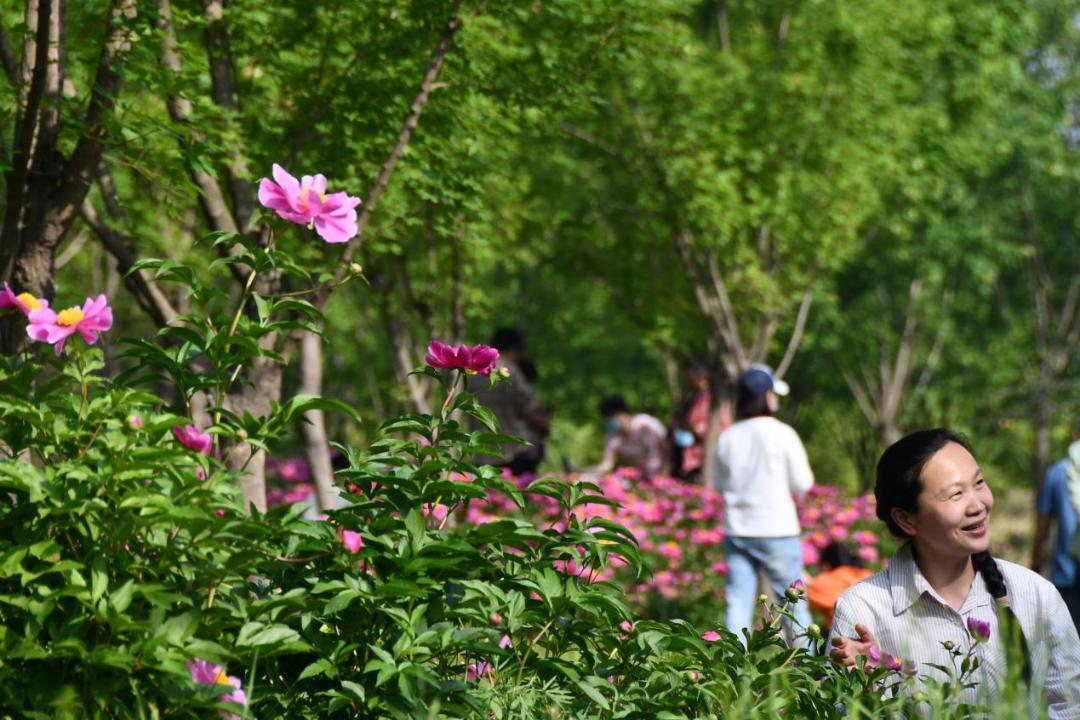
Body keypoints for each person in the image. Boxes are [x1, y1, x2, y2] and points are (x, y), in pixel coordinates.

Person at [830, 429, 1080, 716]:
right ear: (906, 519)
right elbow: (840, 710)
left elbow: (1071, 707)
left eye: (979, 483)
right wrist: (868, 692)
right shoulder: (863, 610)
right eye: (956, 494)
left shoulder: (1034, 594)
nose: (978, 505)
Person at [715, 367, 814, 641]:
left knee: (737, 603)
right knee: (793, 604)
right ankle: (806, 669)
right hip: (777, 529)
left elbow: (720, 483)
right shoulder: (783, 433)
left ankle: (733, 670)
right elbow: (803, 483)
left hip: (737, 529)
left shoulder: (728, 436)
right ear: (768, 396)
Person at [469, 328, 549, 475]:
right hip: (513, 452)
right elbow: (531, 410)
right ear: (514, 349)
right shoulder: (510, 371)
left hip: (481, 451)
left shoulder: (473, 370)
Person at [1031, 422, 1080, 629]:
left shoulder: (1058, 472)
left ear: (1075, 435)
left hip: (1065, 571)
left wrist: (1035, 559)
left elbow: (1043, 525)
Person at [593, 394, 668, 479]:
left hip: (663, 474)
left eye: (610, 418)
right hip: (640, 479)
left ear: (622, 414)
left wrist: (665, 472)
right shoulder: (613, 437)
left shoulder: (645, 423)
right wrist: (582, 471)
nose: (609, 422)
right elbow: (606, 465)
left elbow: (666, 445)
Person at [806, 541, 872, 631]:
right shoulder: (865, 574)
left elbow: (803, 602)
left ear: (826, 565)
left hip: (842, 634)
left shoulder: (829, 581)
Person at [671, 368, 711, 482]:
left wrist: (690, 425)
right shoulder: (688, 395)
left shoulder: (709, 397)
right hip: (680, 449)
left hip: (697, 456)